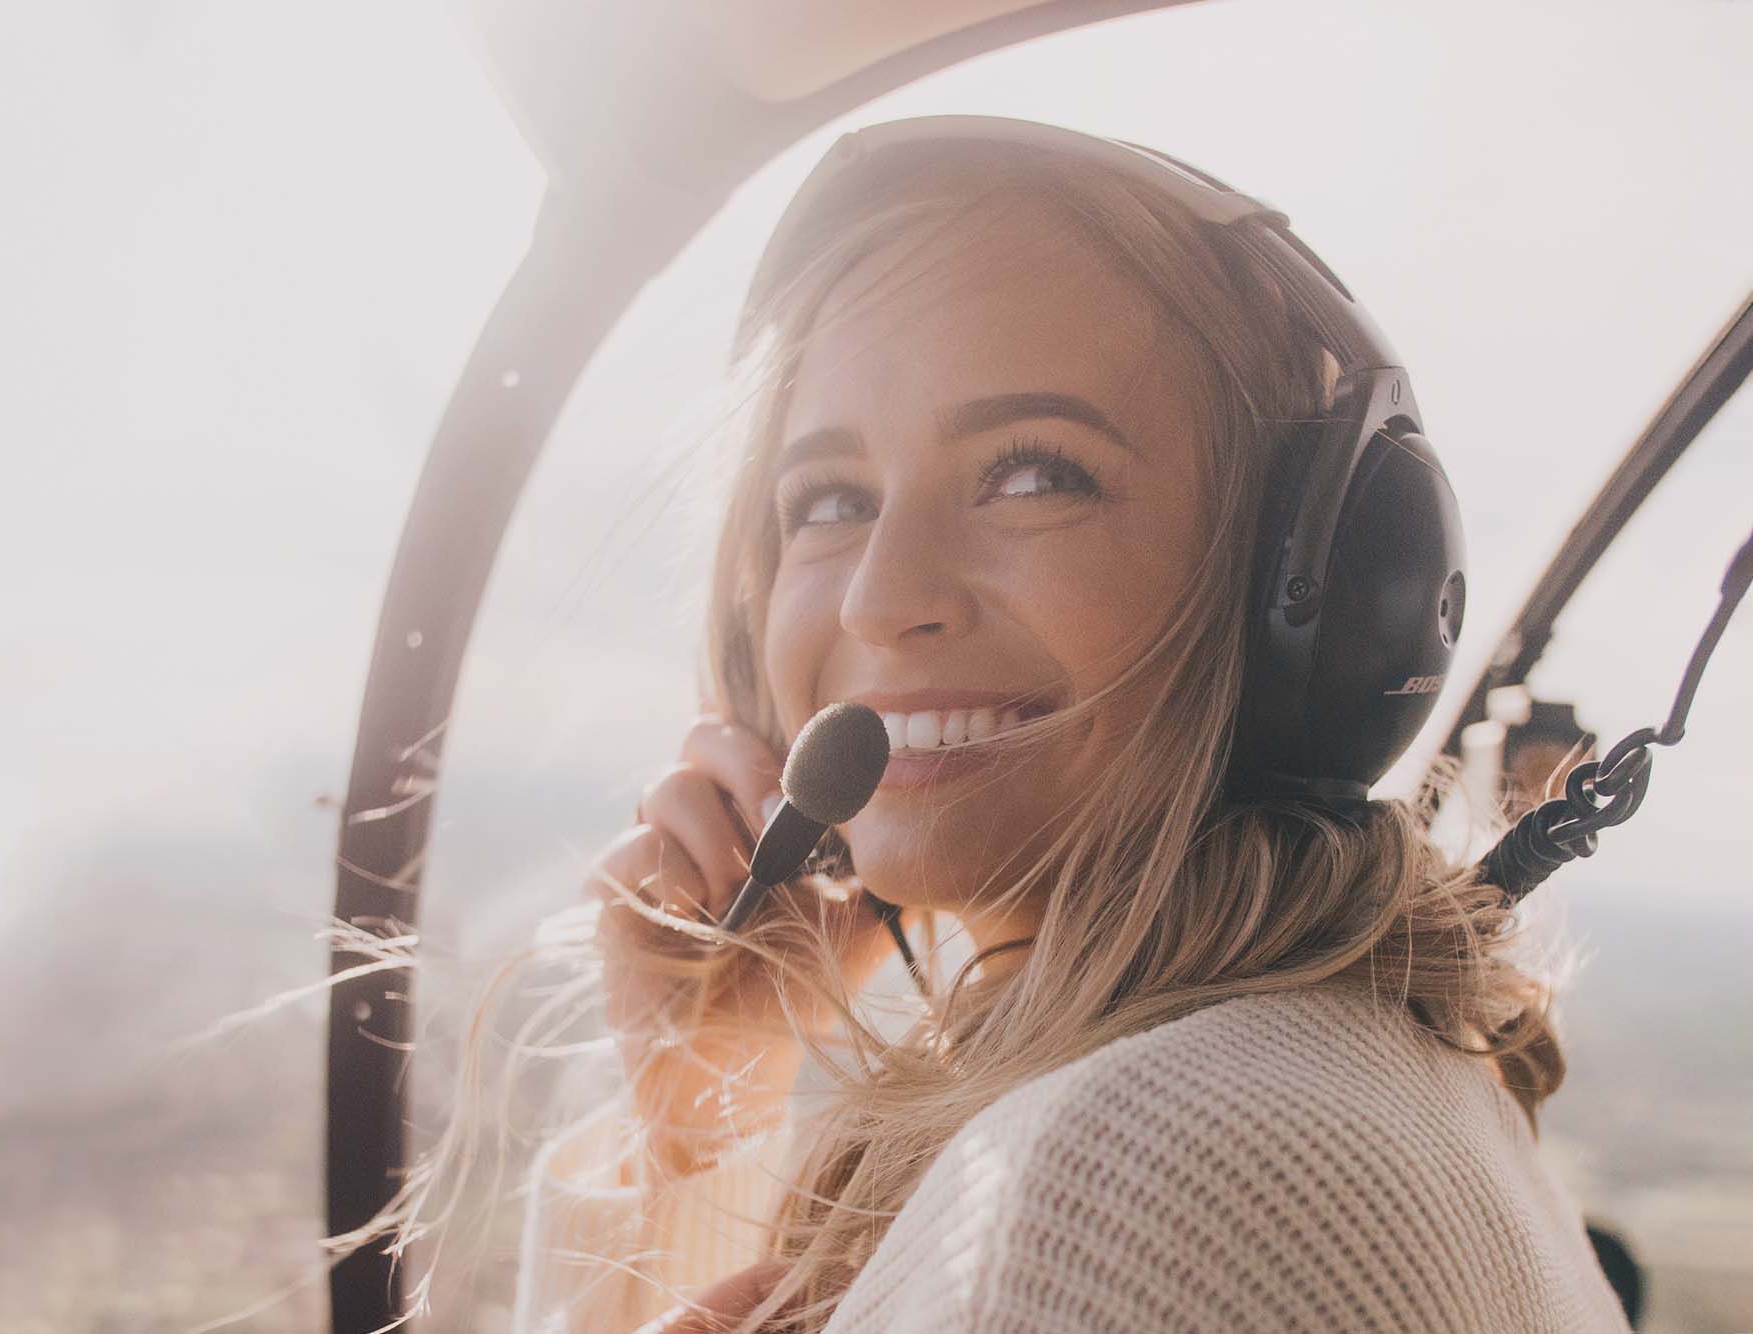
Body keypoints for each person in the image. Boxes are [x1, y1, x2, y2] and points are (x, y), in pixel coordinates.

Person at [502, 117, 1631, 1332]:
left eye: (1034, 473)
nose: (883, 598)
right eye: (828, 500)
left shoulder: (1129, 1178)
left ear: (1316, 588)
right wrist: (700, 1114)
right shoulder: (1350, 1064)